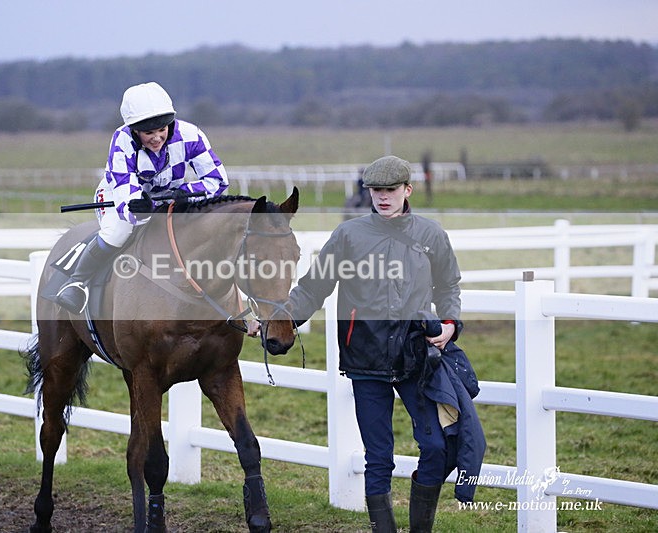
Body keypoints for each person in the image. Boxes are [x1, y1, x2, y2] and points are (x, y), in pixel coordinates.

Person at [252, 155, 483, 532]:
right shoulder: (348, 236)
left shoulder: (431, 235)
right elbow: (313, 288)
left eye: (391, 190)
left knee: (438, 447)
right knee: (379, 458)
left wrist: (450, 324)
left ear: (408, 190)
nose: (383, 197)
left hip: (416, 356)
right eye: (376, 190)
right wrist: (279, 320)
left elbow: (448, 286)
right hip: (364, 357)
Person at [55, 81, 229, 314]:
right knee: (118, 231)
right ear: (135, 131)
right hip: (119, 195)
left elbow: (218, 181)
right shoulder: (122, 140)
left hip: (171, 196)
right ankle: (76, 282)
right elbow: (126, 195)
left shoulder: (191, 135)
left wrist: (185, 194)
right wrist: (143, 207)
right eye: (149, 133)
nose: (157, 138)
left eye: (162, 130)